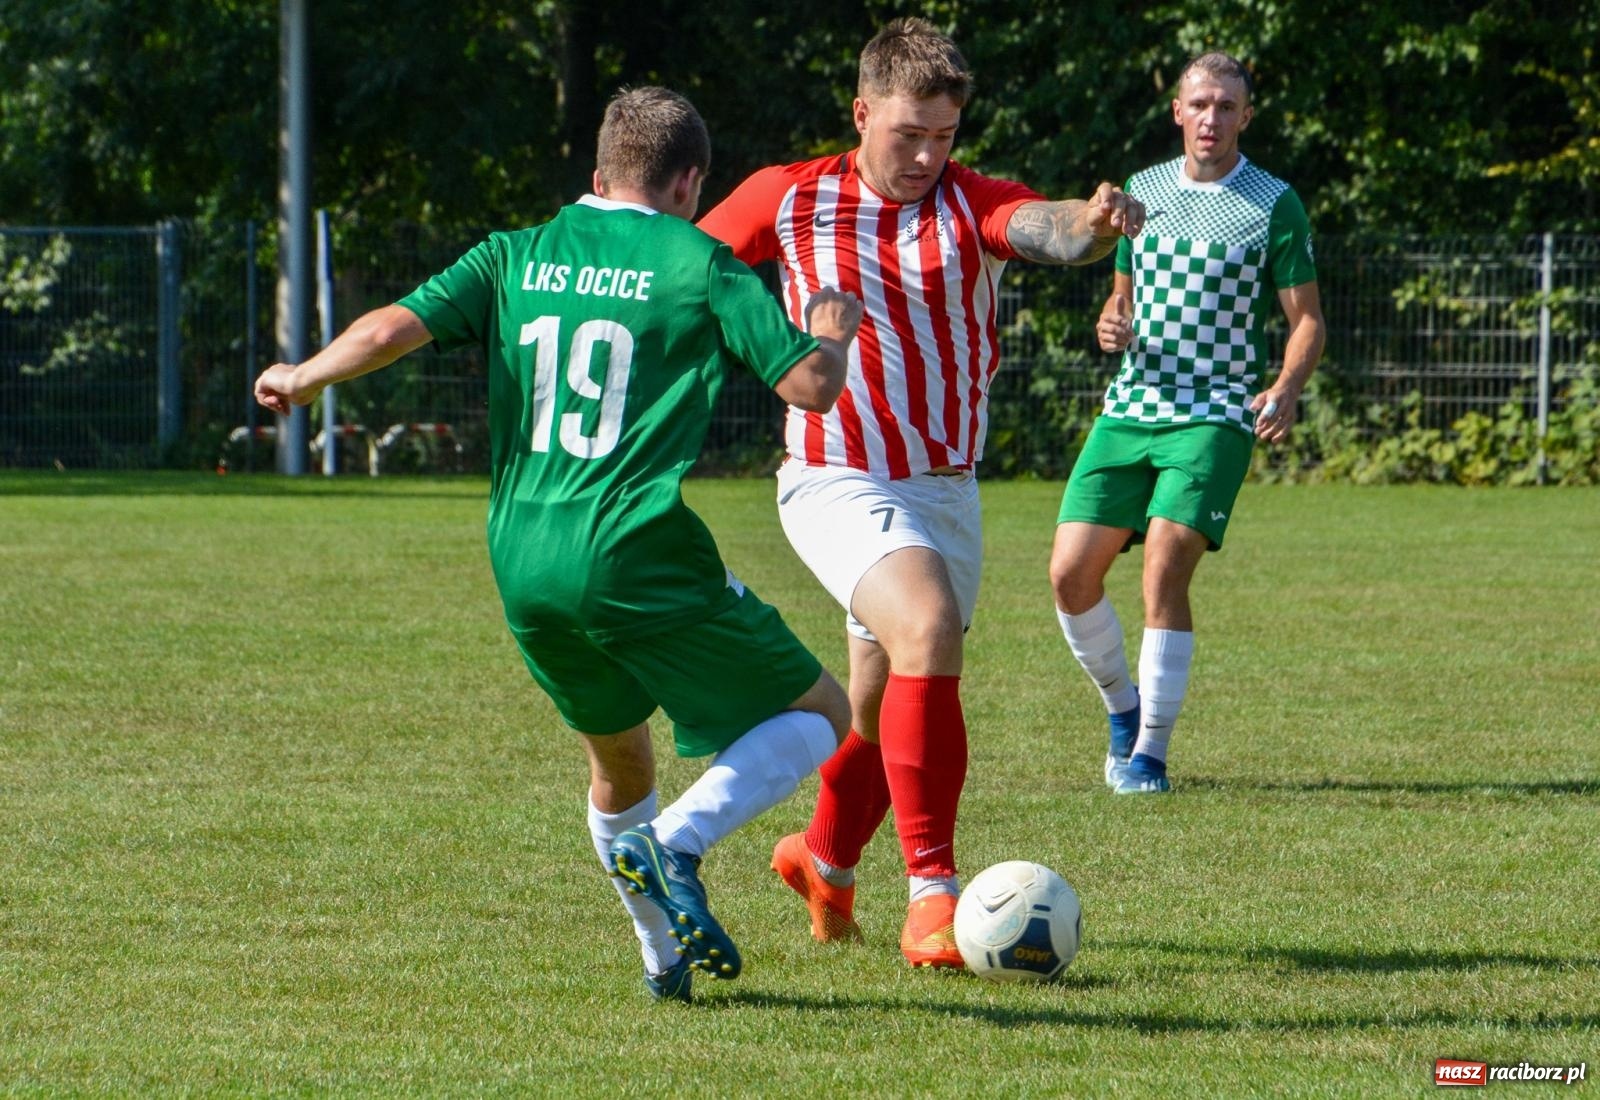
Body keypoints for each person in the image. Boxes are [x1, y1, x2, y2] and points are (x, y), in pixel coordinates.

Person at [255, 87, 864, 1002]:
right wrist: (829, 332)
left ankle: (663, 964)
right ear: (691, 181)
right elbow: (811, 388)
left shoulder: (514, 254)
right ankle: (679, 846)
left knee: (620, 760)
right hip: (632, 547)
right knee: (823, 714)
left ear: (597, 174)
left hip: (523, 559)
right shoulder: (701, 263)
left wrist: (303, 377)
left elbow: (389, 328)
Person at [697, 18, 1145, 969]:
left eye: (945, 135)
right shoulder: (789, 195)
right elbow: (681, 271)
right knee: (930, 629)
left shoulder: (968, 200)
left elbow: (1046, 227)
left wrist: (1092, 224)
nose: (927, 154)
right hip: (831, 474)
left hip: (943, 488)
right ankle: (932, 899)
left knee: (881, 705)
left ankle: (821, 858)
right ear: (863, 113)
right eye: (908, 133)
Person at [1051, 53, 1326, 795]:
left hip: (1217, 412)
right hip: (1133, 406)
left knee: (1164, 562)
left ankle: (1149, 755)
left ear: (1245, 116)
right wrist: (1113, 323)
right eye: (1200, 104)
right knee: (1069, 575)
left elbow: (1307, 322)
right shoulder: (1140, 192)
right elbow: (1121, 301)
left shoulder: (1274, 203)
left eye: (1227, 106)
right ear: (1178, 111)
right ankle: (1122, 709)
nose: (1212, 118)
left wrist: (1287, 384)